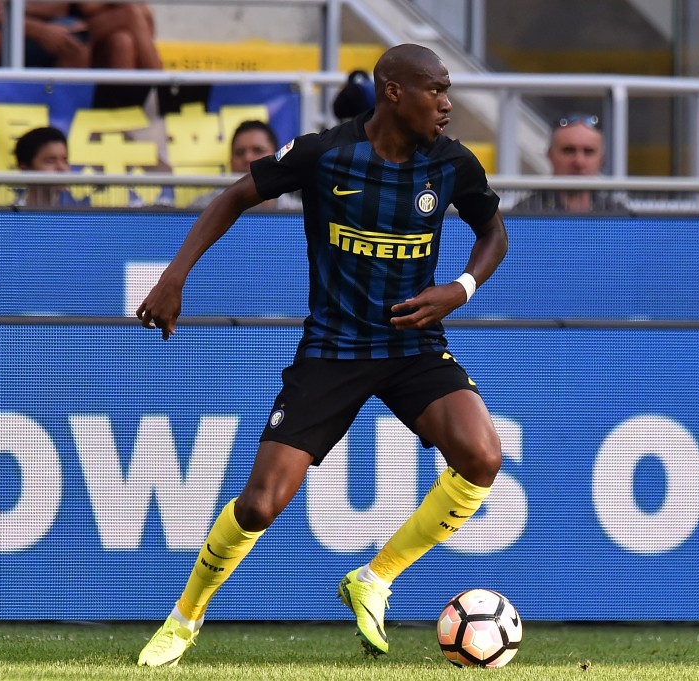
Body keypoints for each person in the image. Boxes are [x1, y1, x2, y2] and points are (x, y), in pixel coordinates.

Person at [135, 43, 508, 667]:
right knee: (258, 505)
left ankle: (376, 578)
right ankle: (184, 617)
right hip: (333, 350)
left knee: (482, 456)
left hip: (411, 344)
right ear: (393, 92)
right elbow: (233, 197)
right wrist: (175, 277)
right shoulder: (325, 153)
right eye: (435, 90)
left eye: (448, 92)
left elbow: (493, 230)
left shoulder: (451, 164)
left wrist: (459, 288)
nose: (447, 105)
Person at [512, 113, 623, 213]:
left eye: (588, 152)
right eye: (569, 151)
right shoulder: (525, 213)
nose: (579, 162)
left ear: (601, 159)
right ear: (550, 155)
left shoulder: (618, 216)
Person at [189, 119, 283, 210]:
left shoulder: (295, 213)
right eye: (240, 152)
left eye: (258, 150)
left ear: (278, 157)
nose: (248, 158)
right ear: (230, 162)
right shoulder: (202, 208)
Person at [71, 3, 161, 70]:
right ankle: (162, 83)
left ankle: (126, 93)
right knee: (131, 14)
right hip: (76, 25)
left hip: (111, 26)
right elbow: (87, 6)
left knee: (123, 41)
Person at [13, 126, 72, 207]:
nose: (62, 168)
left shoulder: (74, 217)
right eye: (50, 161)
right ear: (25, 168)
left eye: (64, 160)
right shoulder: (9, 218)